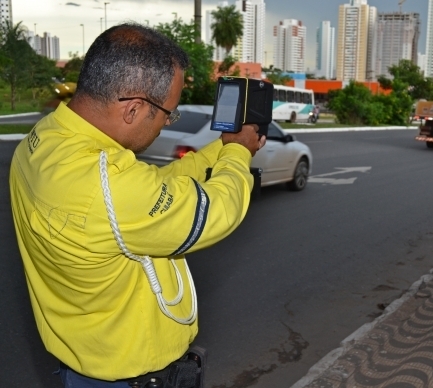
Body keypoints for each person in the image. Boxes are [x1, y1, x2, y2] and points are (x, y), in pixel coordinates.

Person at [9, 23, 265, 387]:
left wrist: (224, 147)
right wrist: (239, 153)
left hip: (83, 367)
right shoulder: (106, 182)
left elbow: (154, 186)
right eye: (167, 114)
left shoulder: (46, 139)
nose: (165, 125)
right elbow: (214, 212)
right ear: (133, 108)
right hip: (130, 379)